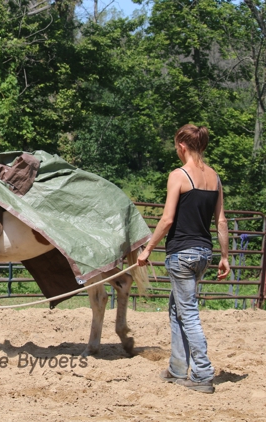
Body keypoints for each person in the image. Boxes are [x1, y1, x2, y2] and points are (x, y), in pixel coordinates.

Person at [137, 124, 230, 394]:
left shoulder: (178, 175)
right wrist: (225, 257)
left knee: (187, 313)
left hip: (181, 254)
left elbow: (167, 219)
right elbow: (221, 221)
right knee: (177, 309)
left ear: (182, 146)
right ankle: (178, 369)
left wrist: (147, 249)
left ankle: (202, 373)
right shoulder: (215, 178)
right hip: (204, 253)